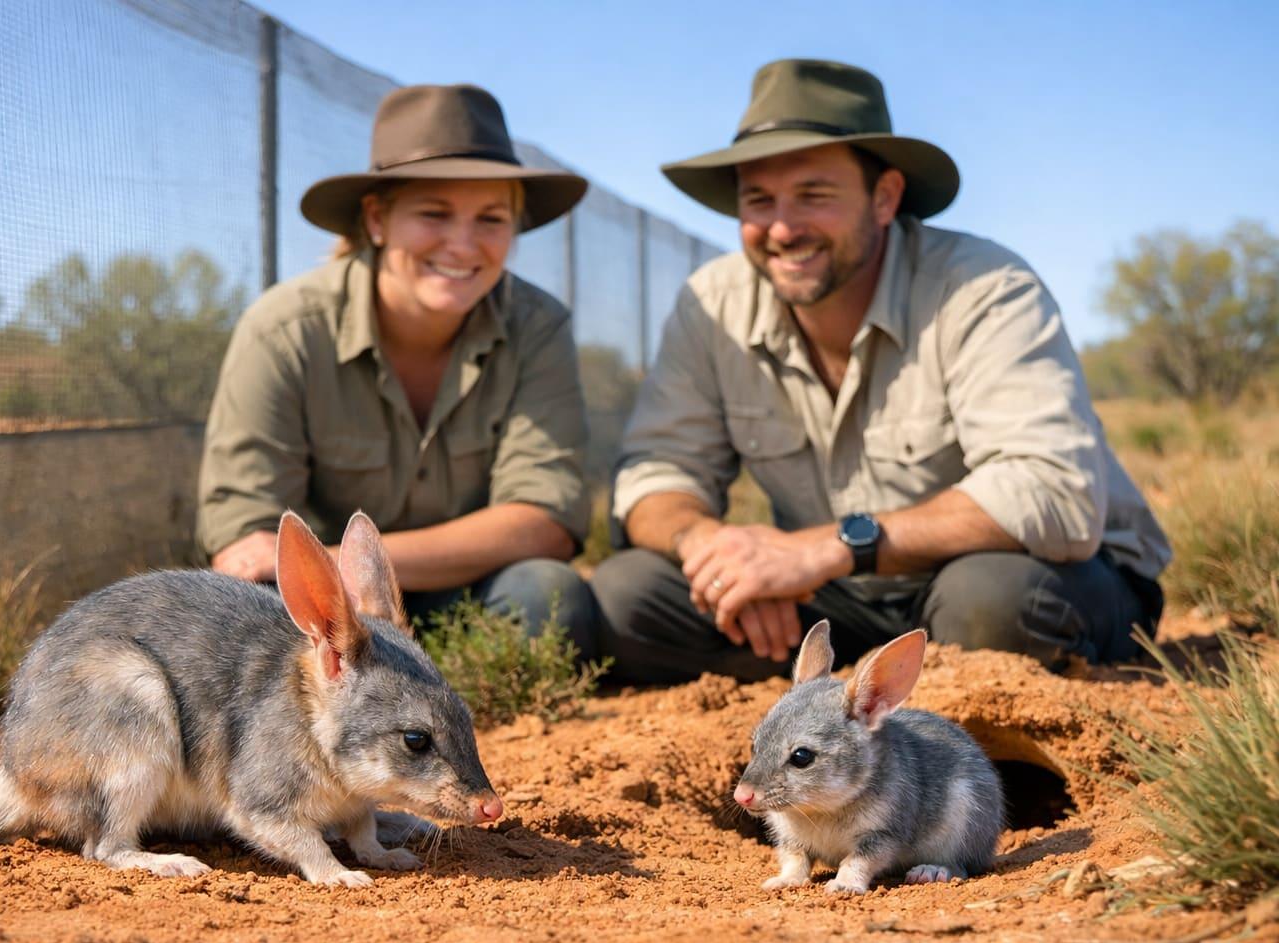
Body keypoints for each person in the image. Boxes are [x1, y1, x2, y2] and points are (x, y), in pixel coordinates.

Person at [590, 59, 1170, 684]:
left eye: (814, 194)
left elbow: (1054, 492)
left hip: (1028, 573)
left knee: (991, 605)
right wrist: (710, 548)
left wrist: (821, 548)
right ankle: (829, 706)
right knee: (627, 597)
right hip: (839, 598)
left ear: (885, 197)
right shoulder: (712, 305)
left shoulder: (984, 288)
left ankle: (978, 725)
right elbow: (654, 472)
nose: (782, 228)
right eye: (759, 200)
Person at [198, 83, 598, 655]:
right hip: (330, 622)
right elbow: (246, 541)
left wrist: (349, 562)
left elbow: (545, 521)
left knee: (548, 597)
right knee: (247, 606)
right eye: (434, 213)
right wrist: (338, 595)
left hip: (467, 596)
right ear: (377, 219)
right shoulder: (284, 329)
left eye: (491, 218)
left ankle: (449, 708)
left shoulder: (539, 327)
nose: (463, 244)